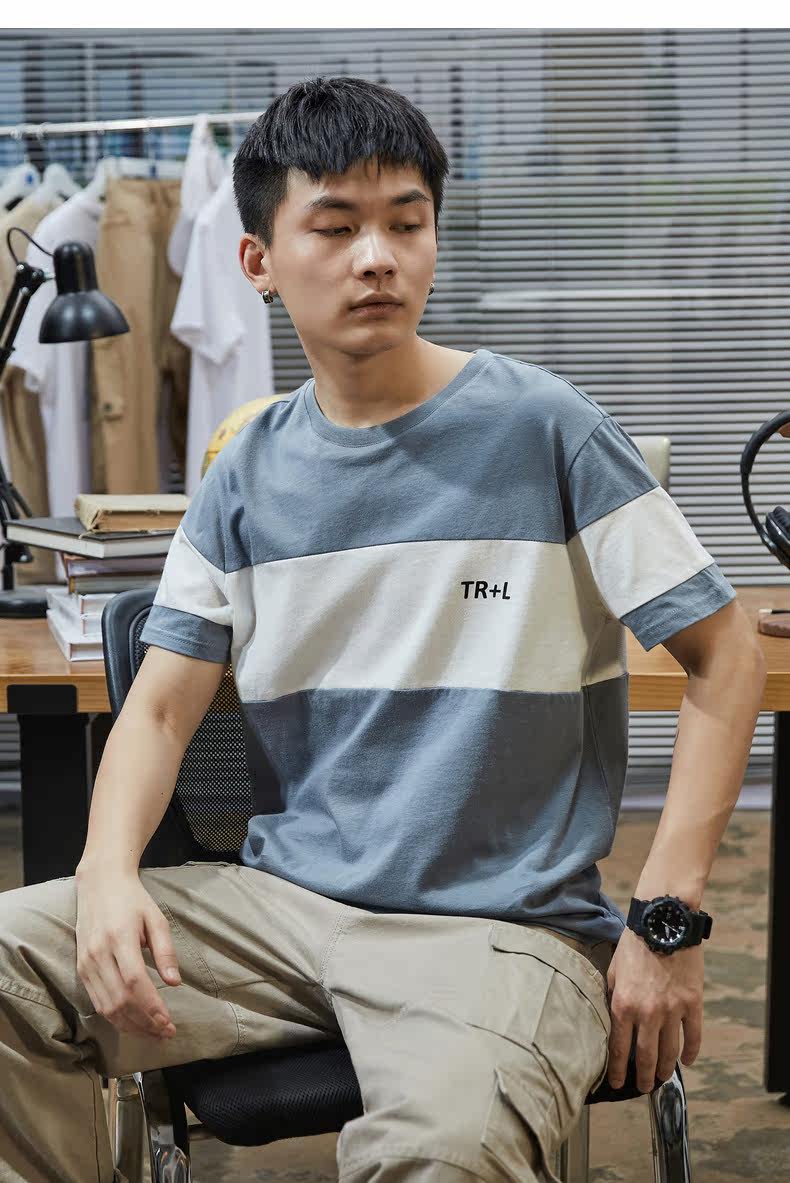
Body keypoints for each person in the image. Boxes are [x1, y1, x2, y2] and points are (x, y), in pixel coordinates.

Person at [0, 75, 767, 1183]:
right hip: (279, 911)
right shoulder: (242, 476)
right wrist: (106, 870)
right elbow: (161, 710)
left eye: (407, 224)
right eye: (336, 227)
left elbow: (725, 654)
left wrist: (667, 916)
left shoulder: (547, 428)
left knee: (440, 1152)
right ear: (257, 261)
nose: (378, 258)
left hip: (498, 925)